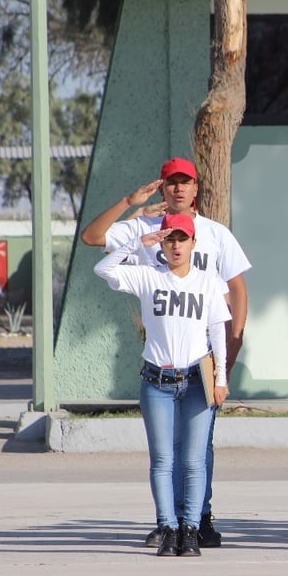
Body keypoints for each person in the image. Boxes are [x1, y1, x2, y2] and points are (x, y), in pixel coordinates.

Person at [80, 157, 251, 549]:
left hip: (200, 359)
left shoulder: (214, 234)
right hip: (159, 359)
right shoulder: (142, 226)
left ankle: (198, 518)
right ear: (161, 188)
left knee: (196, 450)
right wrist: (127, 202)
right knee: (165, 453)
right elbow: (92, 240)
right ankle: (169, 522)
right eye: (171, 182)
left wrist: (230, 348)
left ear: (195, 189)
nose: (177, 189)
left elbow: (237, 290)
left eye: (185, 182)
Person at [94, 214, 231, 557]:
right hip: (157, 380)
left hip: (196, 381)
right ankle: (167, 526)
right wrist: (138, 243)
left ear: (193, 244)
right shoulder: (148, 276)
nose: (175, 245)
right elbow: (104, 270)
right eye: (169, 238)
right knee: (162, 460)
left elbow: (218, 331)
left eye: (181, 239)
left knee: (194, 460)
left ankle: (190, 529)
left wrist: (221, 378)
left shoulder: (207, 281)